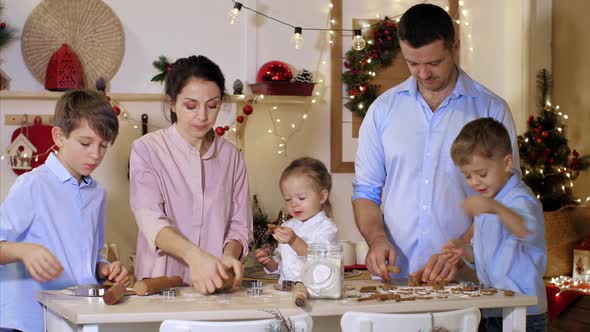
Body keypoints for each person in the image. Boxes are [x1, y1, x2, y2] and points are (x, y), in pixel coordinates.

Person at [352, 3, 520, 283]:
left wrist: (460, 253)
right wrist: (376, 239)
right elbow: (366, 192)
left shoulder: (491, 110)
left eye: (433, 63)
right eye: (412, 63)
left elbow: (504, 199)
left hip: (466, 282)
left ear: (454, 47)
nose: (423, 73)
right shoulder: (383, 110)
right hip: (396, 282)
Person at [0, 90, 129, 332]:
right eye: (86, 143)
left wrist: (104, 269)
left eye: (103, 146)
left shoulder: (97, 195)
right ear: (59, 136)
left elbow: (88, 257)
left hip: (76, 319)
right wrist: (23, 250)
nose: (96, 154)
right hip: (26, 323)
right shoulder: (32, 185)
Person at [130, 55, 252, 294]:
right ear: (172, 103)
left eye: (213, 105)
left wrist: (229, 257)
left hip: (215, 288)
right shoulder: (147, 150)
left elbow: (240, 225)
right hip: (160, 287)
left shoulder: (231, 157)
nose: (203, 116)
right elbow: (150, 219)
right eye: (191, 106)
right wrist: (195, 258)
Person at [443, 118, 547, 331]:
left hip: (524, 312)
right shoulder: (490, 201)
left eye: (482, 174)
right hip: (494, 308)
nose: (474, 182)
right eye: (468, 176)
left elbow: (524, 229)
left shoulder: (519, 199)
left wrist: (494, 208)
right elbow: (491, 255)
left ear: (507, 163)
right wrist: (465, 251)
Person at [255, 157, 337, 283]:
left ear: (322, 196)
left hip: (314, 294)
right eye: (288, 199)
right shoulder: (288, 226)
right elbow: (283, 268)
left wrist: (293, 240)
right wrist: (269, 262)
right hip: (286, 293)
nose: (293, 204)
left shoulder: (327, 228)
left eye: (301, 198)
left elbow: (316, 258)